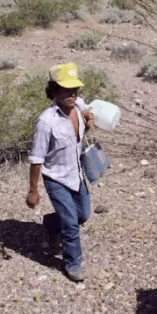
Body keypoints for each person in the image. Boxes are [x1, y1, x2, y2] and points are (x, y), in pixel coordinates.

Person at [25, 63, 96, 283]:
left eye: (75, 89)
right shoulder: (47, 121)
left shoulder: (77, 104)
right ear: (54, 90)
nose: (72, 94)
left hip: (76, 173)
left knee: (82, 215)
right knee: (71, 223)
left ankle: (50, 223)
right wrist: (33, 191)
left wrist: (90, 117)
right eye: (66, 89)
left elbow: (89, 108)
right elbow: (36, 158)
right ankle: (72, 264)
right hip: (55, 177)